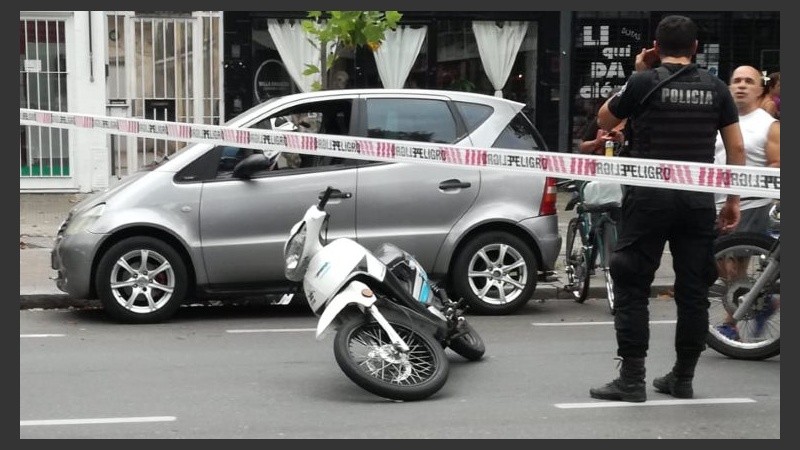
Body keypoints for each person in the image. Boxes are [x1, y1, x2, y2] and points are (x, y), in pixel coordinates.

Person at [588, 15, 745, 403]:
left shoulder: (643, 81)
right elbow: (736, 149)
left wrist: (638, 73)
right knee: (693, 291)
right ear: (695, 49)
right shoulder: (717, 88)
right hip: (695, 200)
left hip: (649, 199)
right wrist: (732, 200)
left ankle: (632, 378)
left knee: (632, 284)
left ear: (656, 48)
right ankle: (683, 377)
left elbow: (605, 118)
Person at [712, 65, 780, 341]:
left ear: (760, 88)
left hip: (751, 203)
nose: (741, 86)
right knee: (714, 259)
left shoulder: (769, 125)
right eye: (736, 81)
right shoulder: (720, 120)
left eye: (748, 81)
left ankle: (731, 324)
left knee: (736, 265)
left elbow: (776, 164)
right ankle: (757, 301)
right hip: (716, 200)